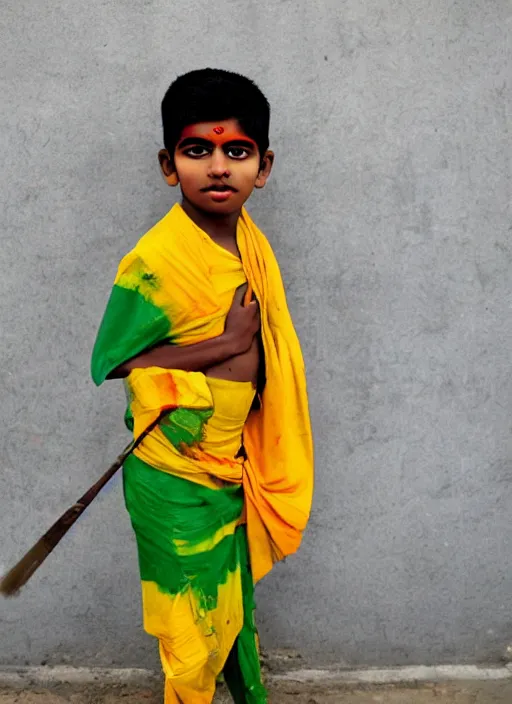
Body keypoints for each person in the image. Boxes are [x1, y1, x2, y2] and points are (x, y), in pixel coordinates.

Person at [90, 68, 313, 704]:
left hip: (226, 468)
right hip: (173, 474)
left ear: (263, 166)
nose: (219, 167)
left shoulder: (248, 242)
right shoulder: (156, 261)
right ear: (169, 164)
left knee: (228, 618)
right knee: (190, 638)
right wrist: (225, 344)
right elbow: (112, 362)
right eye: (198, 150)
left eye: (236, 151)